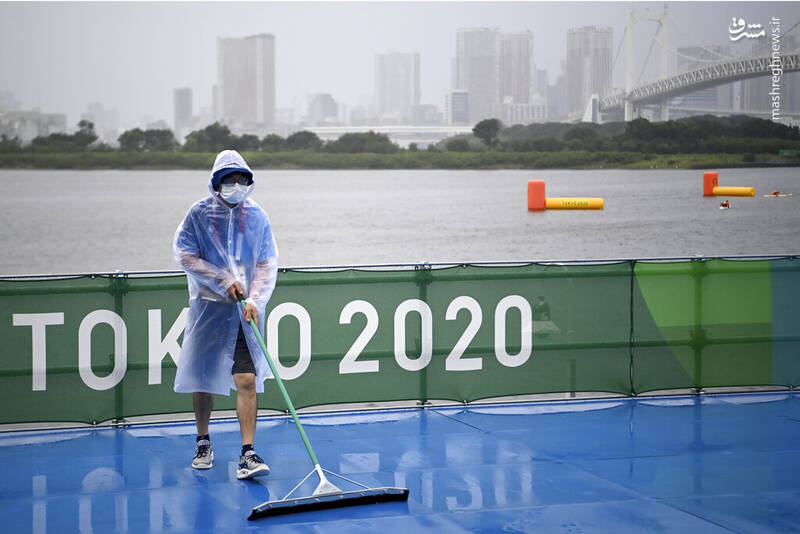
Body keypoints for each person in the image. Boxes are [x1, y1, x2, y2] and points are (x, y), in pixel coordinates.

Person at [173, 149, 278, 480]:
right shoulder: (198, 214)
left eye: (242, 180)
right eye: (230, 180)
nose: (236, 186)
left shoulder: (257, 217)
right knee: (202, 378)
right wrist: (222, 280)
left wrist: (255, 299)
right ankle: (203, 441)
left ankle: (248, 453)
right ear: (217, 183)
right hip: (209, 308)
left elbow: (266, 263)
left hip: (243, 311)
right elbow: (185, 254)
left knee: (246, 378)